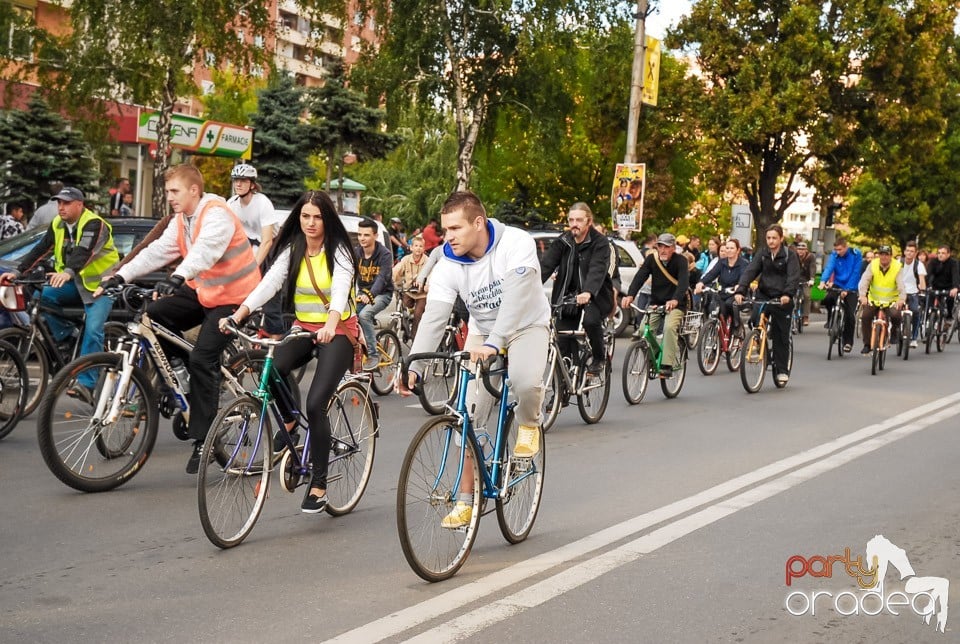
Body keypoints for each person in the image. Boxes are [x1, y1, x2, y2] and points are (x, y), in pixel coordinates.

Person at [401, 190, 549, 529]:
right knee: (467, 416)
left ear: (478, 223)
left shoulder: (516, 242)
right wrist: (414, 363)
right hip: (484, 333)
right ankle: (466, 500)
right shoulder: (448, 260)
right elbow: (434, 317)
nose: (447, 237)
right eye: (445, 229)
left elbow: (515, 300)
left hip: (526, 325)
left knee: (525, 382)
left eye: (455, 229)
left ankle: (529, 424)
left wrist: (497, 343)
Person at [98, 164, 260, 474]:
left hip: (237, 298)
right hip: (206, 292)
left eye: (174, 191)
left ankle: (206, 438)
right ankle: (181, 377)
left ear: (193, 190)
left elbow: (205, 252)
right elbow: (158, 251)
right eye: (168, 191)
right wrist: (121, 275)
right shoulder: (181, 220)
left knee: (203, 358)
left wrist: (179, 276)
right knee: (154, 315)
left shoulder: (216, 214)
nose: (169, 196)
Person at [220, 191, 360, 514]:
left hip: (337, 330)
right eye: (305, 216)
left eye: (317, 217)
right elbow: (270, 282)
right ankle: (290, 424)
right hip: (303, 328)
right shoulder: (293, 248)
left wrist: (331, 322)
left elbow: (340, 290)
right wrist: (239, 314)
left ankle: (320, 484)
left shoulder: (338, 251)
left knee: (315, 403)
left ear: (327, 220)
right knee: (272, 371)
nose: (310, 223)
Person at [1, 187, 119, 391]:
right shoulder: (58, 224)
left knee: (93, 330)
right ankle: (67, 336)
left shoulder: (94, 224)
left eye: (66, 203)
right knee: (42, 296)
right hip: (75, 284)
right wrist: (19, 272)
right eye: (59, 203)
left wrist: (68, 272)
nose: (61, 207)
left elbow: (85, 251)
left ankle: (87, 383)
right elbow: (39, 250)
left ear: (79, 205)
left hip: (101, 286)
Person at [540, 202, 614, 376]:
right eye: (571, 219)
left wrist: (588, 292)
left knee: (590, 321)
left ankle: (598, 357)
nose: (575, 224)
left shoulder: (600, 243)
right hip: (568, 297)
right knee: (561, 341)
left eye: (579, 220)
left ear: (589, 222)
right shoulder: (563, 241)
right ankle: (562, 391)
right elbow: (546, 266)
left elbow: (597, 268)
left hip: (595, 295)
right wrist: (529, 287)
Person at [734, 225, 800, 386]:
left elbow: (793, 277)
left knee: (780, 335)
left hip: (782, 298)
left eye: (774, 238)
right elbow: (750, 271)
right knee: (754, 319)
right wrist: (741, 289)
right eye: (768, 238)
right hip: (764, 294)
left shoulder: (789, 256)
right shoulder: (762, 254)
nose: (771, 241)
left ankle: (782, 370)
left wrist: (787, 295)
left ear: (781, 239)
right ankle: (760, 343)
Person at [227, 163, 285, 336]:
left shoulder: (262, 203)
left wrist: (253, 268)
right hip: (248, 249)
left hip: (270, 249)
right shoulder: (232, 204)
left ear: (252, 184)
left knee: (270, 296)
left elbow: (267, 241)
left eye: (243, 181)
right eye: (236, 180)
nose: (238, 184)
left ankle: (276, 343)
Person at [622, 233, 689, 378]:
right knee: (642, 331)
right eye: (660, 246)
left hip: (676, 304)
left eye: (667, 247)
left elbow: (683, 283)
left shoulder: (681, 261)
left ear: (673, 248)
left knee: (669, 327)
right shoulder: (652, 259)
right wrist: (630, 295)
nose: (663, 250)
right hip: (657, 303)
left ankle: (667, 364)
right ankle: (655, 355)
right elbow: (640, 276)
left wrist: (676, 299)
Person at [355, 218, 394, 370]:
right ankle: (359, 348)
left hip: (382, 294)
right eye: (359, 235)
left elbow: (382, 279)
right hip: (362, 292)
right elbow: (348, 274)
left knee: (365, 315)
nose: (362, 238)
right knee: (349, 317)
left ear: (375, 236)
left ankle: (373, 355)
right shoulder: (356, 252)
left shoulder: (384, 254)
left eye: (366, 235)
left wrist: (369, 295)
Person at [858, 245, 905, 354]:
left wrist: (901, 299)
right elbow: (865, 281)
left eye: (886, 255)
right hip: (874, 299)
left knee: (896, 315)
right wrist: (863, 296)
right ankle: (867, 344)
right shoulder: (873, 265)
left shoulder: (897, 267)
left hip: (891, 300)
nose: (884, 257)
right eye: (881, 254)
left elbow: (901, 285)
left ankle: (894, 333)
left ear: (890, 256)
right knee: (865, 317)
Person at [819, 236, 863, 353]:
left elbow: (856, 273)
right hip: (838, 284)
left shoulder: (856, 254)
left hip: (851, 286)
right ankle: (831, 320)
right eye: (836, 250)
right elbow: (829, 267)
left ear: (846, 247)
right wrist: (823, 281)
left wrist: (847, 289)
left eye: (840, 250)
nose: (838, 252)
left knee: (850, 315)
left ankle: (848, 342)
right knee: (827, 299)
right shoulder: (834, 254)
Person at [695, 238, 748, 330]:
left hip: (736, 293)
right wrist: (701, 282)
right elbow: (711, 274)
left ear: (738, 250)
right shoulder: (721, 262)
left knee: (729, 304)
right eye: (727, 248)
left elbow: (744, 277)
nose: (729, 250)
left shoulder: (743, 263)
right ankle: (717, 333)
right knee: (716, 308)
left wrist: (738, 286)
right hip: (722, 292)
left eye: (732, 248)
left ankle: (736, 327)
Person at [392, 234, 429, 337]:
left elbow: (431, 275)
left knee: (418, 314)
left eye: (421, 246)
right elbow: (396, 270)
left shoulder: (427, 261)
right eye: (416, 246)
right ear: (411, 247)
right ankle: (407, 320)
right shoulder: (406, 259)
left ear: (424, 249)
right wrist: (389, 279)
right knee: (405, 304)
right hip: (409, 291)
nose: (418, 248)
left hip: (422, 294)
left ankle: (414, 336)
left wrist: (426, 286)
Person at [925, 245, 960, 325]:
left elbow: (955, 276)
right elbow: (929, 275)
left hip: (949, 287)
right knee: (929, 299)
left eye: (943, 253)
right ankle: (928, 319)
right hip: (935, 285)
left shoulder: (953, 263)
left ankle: (949, 316)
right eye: (939, 253)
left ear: (948, 254)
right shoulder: (933, 262)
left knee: (950, 299)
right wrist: (927, 285)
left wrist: (955, 287)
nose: (940, 255)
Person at [901, 241, 926, 347]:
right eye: (907, 251)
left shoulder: (918, 264)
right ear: (904, 252)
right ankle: (893, 330)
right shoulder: (898, 263)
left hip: (913, 292)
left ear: (915, 253)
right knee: (894, 312)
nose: (909, 253)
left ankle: (914, 338)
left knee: (916, 311)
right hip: (899, 292)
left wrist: (923, 290)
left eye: (912, 251)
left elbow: (921, 279)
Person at [795, 242, 815, 326]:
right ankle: (792, 313)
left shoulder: (810, 257)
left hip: (806, 279)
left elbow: (812, 267)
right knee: (790, 295)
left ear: (806, 250)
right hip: (795, 278)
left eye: (802, 250)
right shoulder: (794, 256)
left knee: (807, 296)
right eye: (799, 249)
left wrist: (812, 279)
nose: (800, 251)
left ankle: (805, 316)